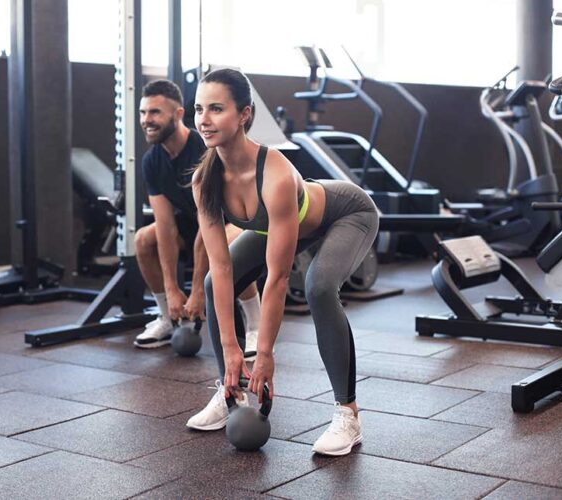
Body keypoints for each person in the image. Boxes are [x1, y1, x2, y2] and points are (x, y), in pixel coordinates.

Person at [185, 69, 379, 457]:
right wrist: (232, 353)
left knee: (319, 287)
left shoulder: (273, 174)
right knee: (211, 284)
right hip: (277, 227)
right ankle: (229, 391)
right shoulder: (204, 181)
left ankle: (348, 414)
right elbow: (221, 269)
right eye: (199, 109)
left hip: (347, 213)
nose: (204, 120)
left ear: (244, 114)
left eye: (216, 109)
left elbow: (276, 279)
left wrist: (267, 353)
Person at [134, 79, 261, 360]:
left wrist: (196, 293)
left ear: (178, 114)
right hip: (190, 226)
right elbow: (165, 225)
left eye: (155, 112)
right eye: (143, 113)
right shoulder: (151, 161)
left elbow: (210, 225)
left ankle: (256, 325)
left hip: (233, 221)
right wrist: (172, 289)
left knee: (227, 245)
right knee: (144, 239)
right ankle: (168, 317)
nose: (146, 120)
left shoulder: (204, 149)